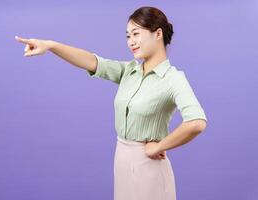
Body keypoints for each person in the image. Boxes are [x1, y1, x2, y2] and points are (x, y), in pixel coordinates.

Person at [15, 6, 207, 200]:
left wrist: (158, 146)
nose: (131, 42)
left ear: (157, 34)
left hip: (149, 168)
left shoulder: (173, 78)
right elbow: (92, 61)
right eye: (127, 36)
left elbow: (196, 122)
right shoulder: (129, 71)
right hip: (121, 160)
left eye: (136, 34)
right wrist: (50, 45)